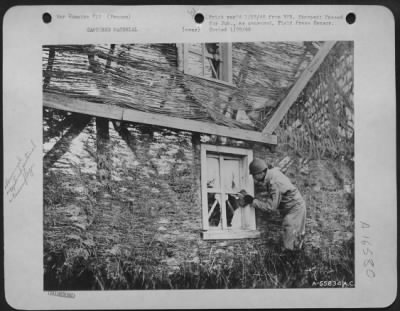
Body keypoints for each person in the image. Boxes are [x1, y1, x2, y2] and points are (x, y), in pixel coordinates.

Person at [239, 158, 306, 251]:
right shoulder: (272, 173)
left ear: (261, 173)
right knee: (293, 237)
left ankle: (290, 260)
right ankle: (294, 258)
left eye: (254, 175)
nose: (254, 179)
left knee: (289, 238)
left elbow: (271, 207)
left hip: (295, 208)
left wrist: (253, 201)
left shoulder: (274, 183)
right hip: (292, 207)